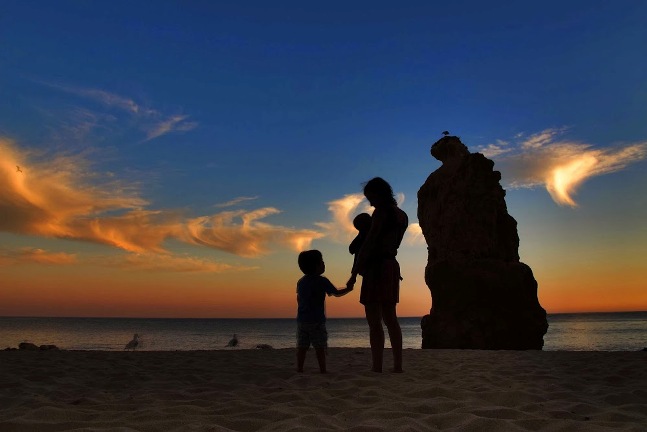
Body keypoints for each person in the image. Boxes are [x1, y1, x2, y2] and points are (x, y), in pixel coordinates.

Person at [348, 177, 408, 373]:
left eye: (371, 198)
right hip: (391, 265)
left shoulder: (381, 213)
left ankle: (377, 367)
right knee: (391, 318)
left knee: (374, 321)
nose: (370, 203)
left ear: (380, 194)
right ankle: (398, 366)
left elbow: (369, 244)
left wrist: (354, 274)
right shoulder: (402, 215)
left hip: (376, 267)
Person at [296, 249, 353, 373]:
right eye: (322, 262)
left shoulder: (301, 282)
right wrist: (348, 289)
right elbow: (336, 293)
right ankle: (322, 370)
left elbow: (298, 299)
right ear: (316, 266)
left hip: (302, 321)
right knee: (320, 347)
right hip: (317, 321)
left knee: (302, 347)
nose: (324, 264)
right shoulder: (322, 281)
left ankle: (300, 368)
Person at [347, 212, 372, 289]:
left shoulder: (367, 238)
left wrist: (353, 276)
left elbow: (352, 250)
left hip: (370, 269)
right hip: (367, 270)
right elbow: (352, 249)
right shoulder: (362, 237)